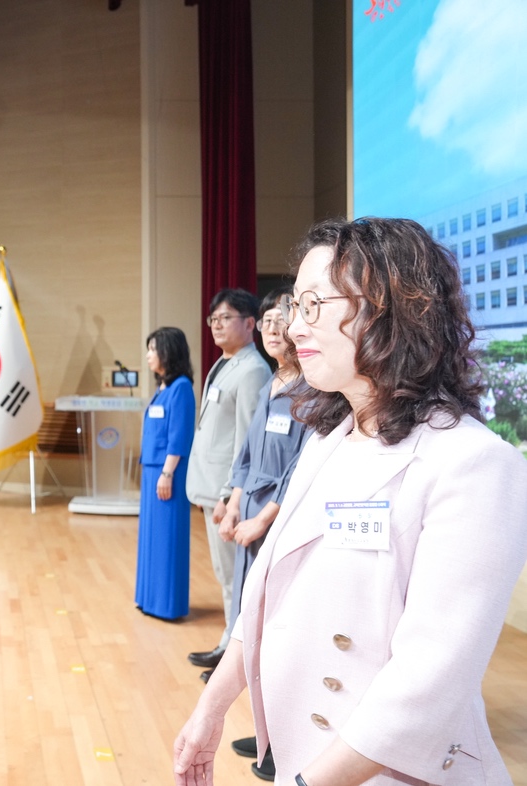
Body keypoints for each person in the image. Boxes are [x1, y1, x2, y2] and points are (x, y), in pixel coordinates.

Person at [174, 217, 527, 785]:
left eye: (313, 304)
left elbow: (427, 682)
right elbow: (264, 589)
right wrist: (209, 711)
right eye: (295, 305)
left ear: (389, 309)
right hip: (306, 758)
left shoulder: (475, 464)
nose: (293, 326)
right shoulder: (326, 440)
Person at [215, 289, 313, 779]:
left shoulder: (315, 391)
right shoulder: (271, 383)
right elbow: (247, 453)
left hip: (279, 517)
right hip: (250, 512)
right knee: (248, 623)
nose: (274, 328)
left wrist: (262, 518)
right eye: (269, 320)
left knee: (277, 629)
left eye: (283, 318)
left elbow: (299, 468)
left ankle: (284, 740)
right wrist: (234, 502)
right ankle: (266, 729)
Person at [184, 290, 272, 674]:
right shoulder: (224, 363)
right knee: (223, 573)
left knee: (233, 575)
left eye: (226, 318)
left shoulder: (253, 370)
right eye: (213, 320)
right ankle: (228, 639)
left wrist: (227, 495)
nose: (217, 326)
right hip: (208, 483)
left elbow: (245, 439)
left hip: (226, 492)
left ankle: (233, 651)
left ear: (249, 323)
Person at [135, 327, 196, 620]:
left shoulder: (182, 387)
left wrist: (167, 473)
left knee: (166, 538)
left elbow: (179, 435)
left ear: (168, 352)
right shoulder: (163, 389)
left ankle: (166, 604)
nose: (148, 355)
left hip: (166, 472)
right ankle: (148, 598)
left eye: (153, 349)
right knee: (151, 537)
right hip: (151, 472)